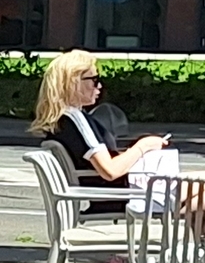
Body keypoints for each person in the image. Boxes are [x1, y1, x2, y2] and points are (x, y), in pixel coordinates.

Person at [32, 50, 175, 213]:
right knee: (204, 187)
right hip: (127, 195)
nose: (99, 86)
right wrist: (143, 146)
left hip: (122, 192)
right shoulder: (76, 120)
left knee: (204, 190)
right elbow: (110, 171)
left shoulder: (63, 120)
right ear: (74, 82)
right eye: (94, 80)